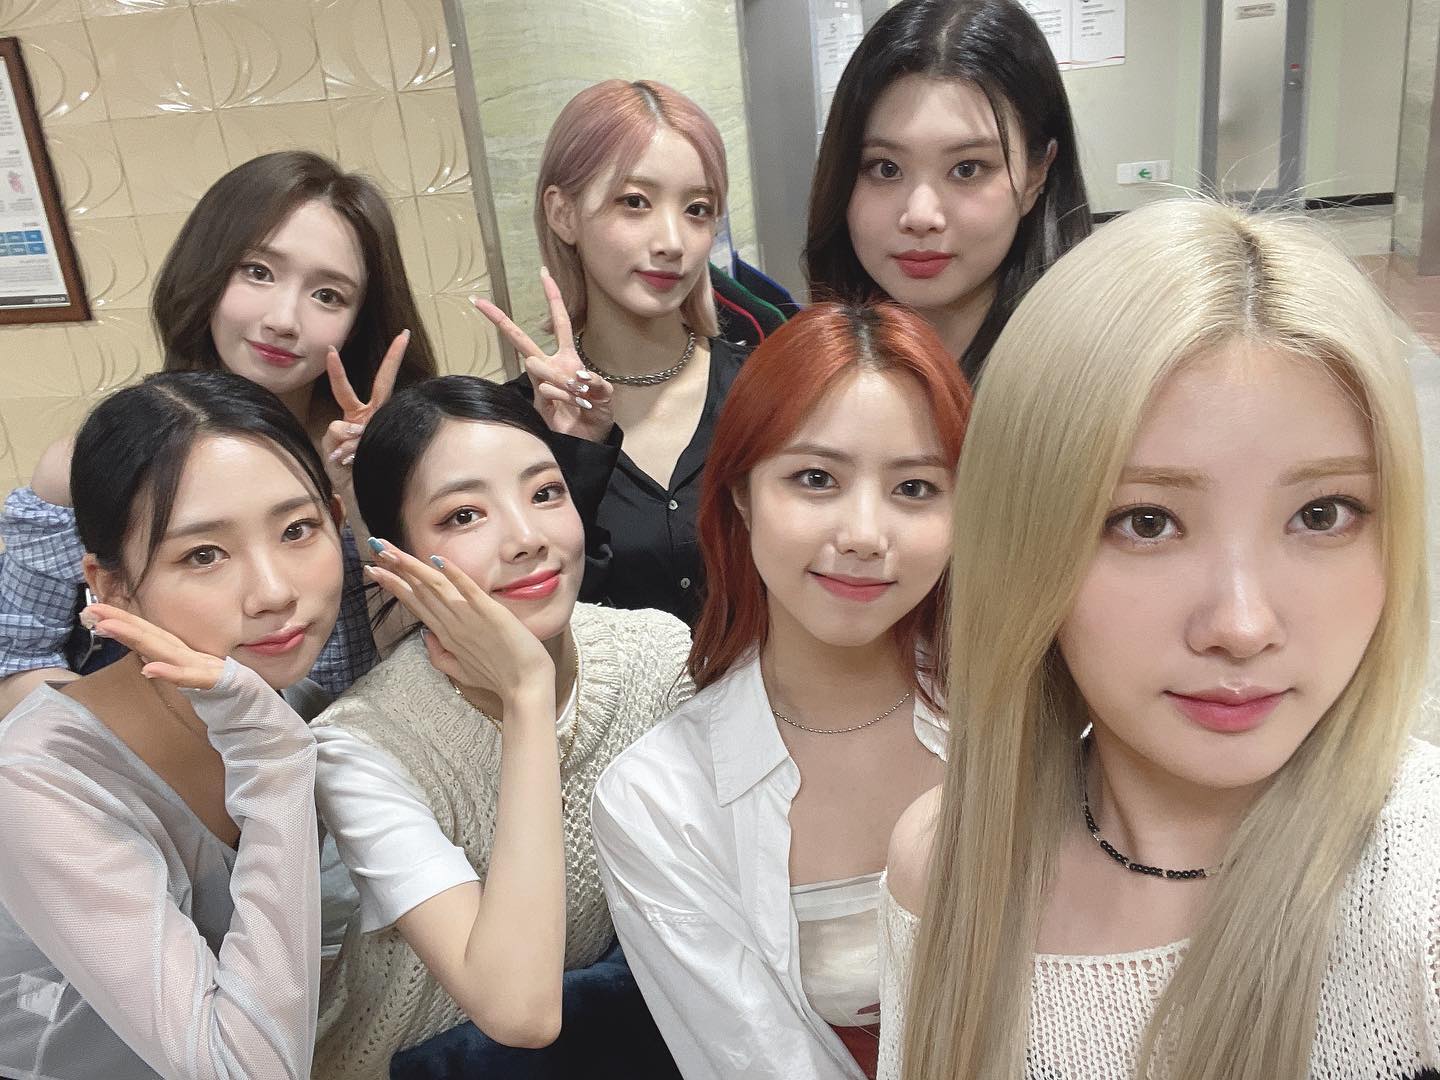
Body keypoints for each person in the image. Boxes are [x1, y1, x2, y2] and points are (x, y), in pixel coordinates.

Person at [880, 199, 1440, 1080]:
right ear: (1026, 545)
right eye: (1147, 521)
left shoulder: (1418, 884)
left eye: (1322, 514)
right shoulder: (946, 866)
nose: (1242, 626)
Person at [592, 302, 972, 1079]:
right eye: (815, 478)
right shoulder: (659, 799)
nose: (864, 534)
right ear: (741, 494)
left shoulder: (1030, 718)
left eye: (915, 487)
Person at [309, 375, 692, 1079]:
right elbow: (519, 1011)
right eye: (464, 516)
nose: (525, 539)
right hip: (397, 1065)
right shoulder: (360, 746)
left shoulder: (658, 655)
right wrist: (525, 697)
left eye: (545, 493)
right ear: (393, 559)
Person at [0, 370, 348, 1079]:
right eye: (203, 555)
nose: (274, 592)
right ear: (112, 587)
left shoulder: (296, 702)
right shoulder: (37, 780)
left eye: (297, 530)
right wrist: (275, 764)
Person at [0, 151, 437, 711]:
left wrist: (366, 493)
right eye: (258, 272)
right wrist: (156, 733)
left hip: (371, 751)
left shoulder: (393, 455)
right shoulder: (88, 466)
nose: (282, 319)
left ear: (358, 321)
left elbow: (432, 651)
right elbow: (18, 661)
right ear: (206, 272)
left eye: (328, 295)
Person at [474, 78, 747, 622]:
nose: (672, 242)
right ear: (563, 213)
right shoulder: (513, 426)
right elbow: (521, 619)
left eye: (697, 209)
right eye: (635, 202)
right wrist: (573, 456)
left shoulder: (763, 390)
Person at [804, 0, 1091, 379]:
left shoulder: (1096, 380)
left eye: (966, 169)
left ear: (1036, 174)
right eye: (885, 168)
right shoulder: (815, 373)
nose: (920, 216)